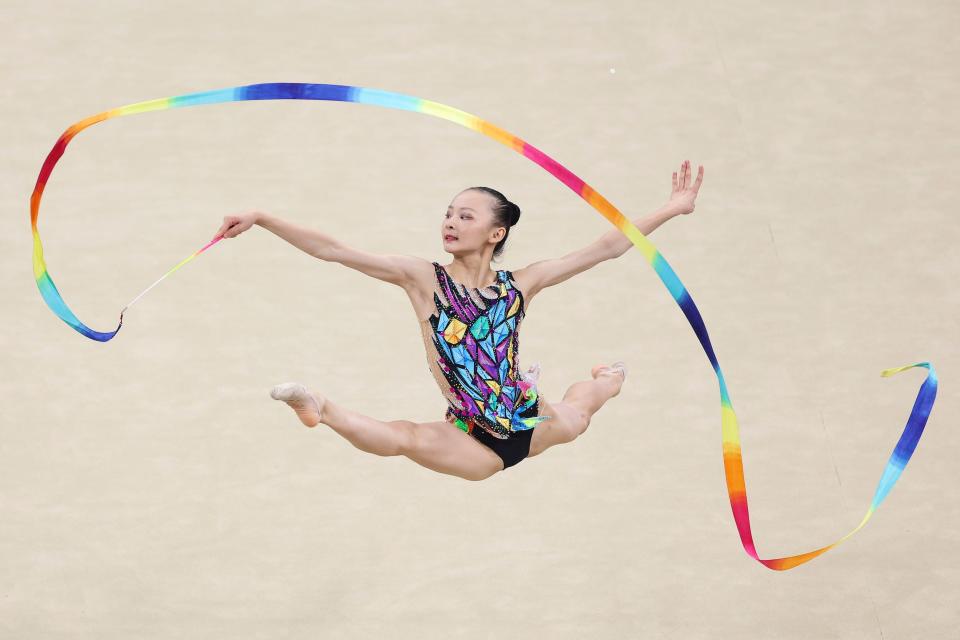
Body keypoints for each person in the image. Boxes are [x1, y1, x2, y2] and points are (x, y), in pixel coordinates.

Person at [213, 160, 705, 481]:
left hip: (529, 421)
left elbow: (607, 248)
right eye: (449, 214)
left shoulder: (521, 285)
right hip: (472, 437)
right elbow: (335, 251)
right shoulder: (421, 279)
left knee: (581, 412)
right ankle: (319, 404)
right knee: (404, 438)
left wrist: (672, 207)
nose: (450, 222)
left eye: (466, 217)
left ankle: (610, 378)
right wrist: (263, 217)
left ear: (496, 232)